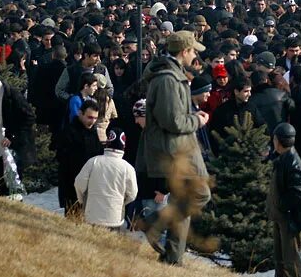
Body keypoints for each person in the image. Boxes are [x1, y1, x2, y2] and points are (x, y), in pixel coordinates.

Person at [140, 31, 211, 265]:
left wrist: (191, 115)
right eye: (193, 51)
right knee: (200, 194)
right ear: (184, 51)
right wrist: (196, 120)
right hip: (175, 150)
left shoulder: (171, 75)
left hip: (178, 147)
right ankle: (155, 221)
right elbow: (172, 121)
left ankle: (173, 257)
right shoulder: (168, 79)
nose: (195, 56)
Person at [267, 122, 301, 277]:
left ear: (278, 141)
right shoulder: (282, 157)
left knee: (291, 258)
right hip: (280, 216)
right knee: (280, 258)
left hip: (289, 218)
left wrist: (282, 205)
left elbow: (300, 190)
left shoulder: (292, 161)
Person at [0, 66, 35, 195]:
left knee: (13, 188)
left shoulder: (11, 94)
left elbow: (29, 117)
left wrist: (12, 136)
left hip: (12, 150)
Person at [74, 130, 138, 230]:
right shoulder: (128, 168)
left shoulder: (93, 161)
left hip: (91, 215)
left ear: (107, 143)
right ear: (123, 146)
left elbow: (79, 183)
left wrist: (82, 200)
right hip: (114, 219)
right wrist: (121, 203)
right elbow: (133, 194)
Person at [56, 99, 104, 215]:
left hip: (91, 185)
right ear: (80, 113)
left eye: (94, 118)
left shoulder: (94, 133)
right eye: (89, 117)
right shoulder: (69, 131)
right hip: (71, 183)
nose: (92, 121)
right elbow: (63, 158)